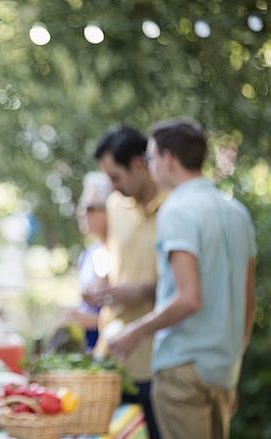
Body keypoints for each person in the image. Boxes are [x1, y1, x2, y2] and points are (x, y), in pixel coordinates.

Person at [109, 119, 256, 439]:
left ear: (169, 159)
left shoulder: (178, 210)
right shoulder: (237, 213)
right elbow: (248, 301)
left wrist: (136, 331)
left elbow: (189, 298)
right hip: (222, 369)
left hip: (183, 368)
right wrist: (233, 362)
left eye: (151, 158)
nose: (150, 167)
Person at [87, 126, 163, 439]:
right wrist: (101, 284)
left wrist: (144, 291)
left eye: (115, 177)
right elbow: (109, 255)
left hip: (160, 361)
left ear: (138, 164)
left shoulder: (177, 207)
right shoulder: (117, 206)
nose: (112, 187)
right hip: (116, 357)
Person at [59, 171, 112, 351]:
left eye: (89, 208)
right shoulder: (89, 254)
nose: (82, 213)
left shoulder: (122, 254)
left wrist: (96, 322)